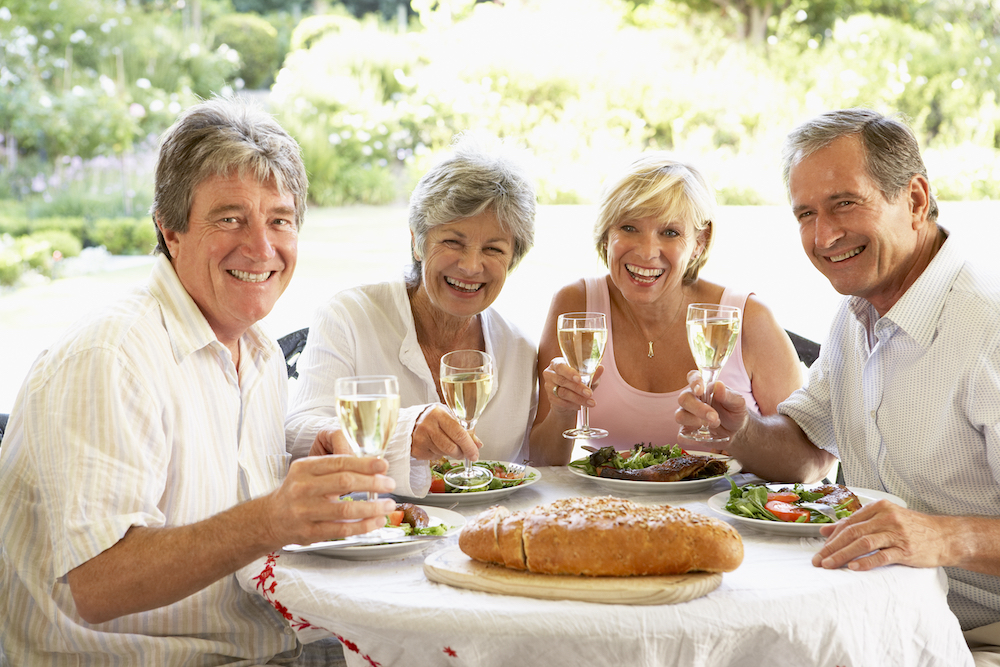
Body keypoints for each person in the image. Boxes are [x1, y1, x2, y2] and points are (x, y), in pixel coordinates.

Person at [0, 98, 396, 665]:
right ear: (171, 230)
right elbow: (98, 583)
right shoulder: (113, 354)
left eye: (279, 220)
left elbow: (205, 493)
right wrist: (270, 518)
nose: (262, 248)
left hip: (258, 642)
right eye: (230, 218)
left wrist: (300, 467)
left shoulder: (254, 351)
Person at [676, 108, 1000, 664]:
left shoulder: (987, 329)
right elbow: (806, 454)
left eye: (845, 203)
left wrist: (942, 538)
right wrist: (742, 431)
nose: (823, 236)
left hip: (975, 637)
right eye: (806, 213)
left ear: (916, 200)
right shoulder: (857, 312)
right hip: (872, 621)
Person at [285, 132, 538, 495]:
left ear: (512, 260)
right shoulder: (349, 317)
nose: (470, 265)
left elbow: (531, 473)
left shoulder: (520, 348)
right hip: (373, 536)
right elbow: (296, 436)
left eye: (493, 249)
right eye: (453, 241)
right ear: (418, 242)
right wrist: (403, 430)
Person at [529, 154, 803, 465]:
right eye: (629, 228)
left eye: (670, 232)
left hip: (720, 510)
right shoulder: (576, 307)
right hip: (610, 509)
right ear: (607, 235)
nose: (647, 252)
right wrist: (563, 413)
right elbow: (541, 462)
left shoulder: (747, 318)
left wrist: (741, 435)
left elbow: (806, 461)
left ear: (700, 240)